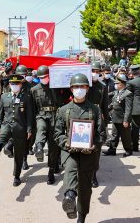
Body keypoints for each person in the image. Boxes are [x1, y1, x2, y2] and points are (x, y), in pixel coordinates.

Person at [54, 73, 104, 223]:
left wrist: (94, 145)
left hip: (89, 154)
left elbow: (101, 134)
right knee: (70, 171)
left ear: (87, 88)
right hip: (71, 152)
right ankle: (69, 197)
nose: (79, 89)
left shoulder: (95, 110)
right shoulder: (63, 110)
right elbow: (57, 134)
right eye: (76, 86)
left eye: (82, 86)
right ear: (71, 89)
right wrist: (66, 143)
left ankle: (81, 216)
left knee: (85, 190)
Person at [0, 74, 33, 187]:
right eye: (12, 84)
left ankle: (17, 176)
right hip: (7, 124)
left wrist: (29, 129)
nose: (14, 86)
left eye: (17, 84)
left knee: (18, 154)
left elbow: (29, 115)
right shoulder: (4, 97)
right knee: (3, 135)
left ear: (21, 84)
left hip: (20, 128)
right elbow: (0, 114)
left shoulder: (26, 98)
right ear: (9, 84)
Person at [31, 65, 68, 185]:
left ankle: (51, 172)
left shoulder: (56, 86)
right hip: (41, 115)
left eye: (46, 76)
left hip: (55, 116)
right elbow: (32, 108)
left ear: (49, 76)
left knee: (53, 146)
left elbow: (66, 96)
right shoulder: (34, 89)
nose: (43, 78)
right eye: (41, 77)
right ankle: (39, 147)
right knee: (41, 128)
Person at [87, 61, 109, 188]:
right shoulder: (85, 84)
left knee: (97, 146)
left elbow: (104, 106)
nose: (95, 73)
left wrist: (105, 123)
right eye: (93, 71)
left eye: (97, 71)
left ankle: (94, 174)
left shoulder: (102, 86)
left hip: (98, 118)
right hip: (85, 117)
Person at [103, 74, 133, 156]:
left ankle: (128, 150)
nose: (115, 85)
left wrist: (126, 120)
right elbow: (113, 103)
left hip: (123, 118)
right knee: (114, 135)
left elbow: (128, 108)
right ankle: (112, 150)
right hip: (115, 117)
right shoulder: (116, 92)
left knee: (125, 136)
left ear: (121, 84)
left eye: (117, 83)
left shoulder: (128, 93)